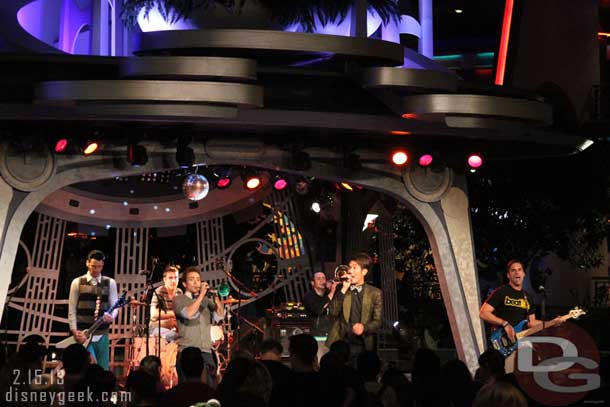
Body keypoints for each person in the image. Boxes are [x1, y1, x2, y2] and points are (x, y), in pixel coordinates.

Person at [479, 259, 558, 372]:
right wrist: (504, 323)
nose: (517, 273)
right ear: (508, 275)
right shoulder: (501, 292)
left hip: (519, 343)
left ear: (524, 274)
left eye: (519, 270)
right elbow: (483, 313)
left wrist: (553, 322)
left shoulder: (527, 297)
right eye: (513, 270)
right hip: (502, 341)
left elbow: (531, 322)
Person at [173, 266, 225, 387]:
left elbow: (220, 316)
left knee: (211, 389)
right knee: (188, 390)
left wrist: (216, 298)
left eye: (198, 279)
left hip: (206, 352)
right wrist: (202, 295)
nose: (196, 282)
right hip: (187, 353)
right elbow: (189, 314)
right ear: (185, 284)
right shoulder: (178, 299)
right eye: (192, 279)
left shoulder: (206, 300)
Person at [68, 250, 118, 370]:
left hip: (102, 333)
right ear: (87, 263)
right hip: (83, 334)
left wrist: (112, 317)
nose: (96, 270)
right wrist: (74, 330)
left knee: (102, 368)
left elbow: (115, 305)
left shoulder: (110, 282)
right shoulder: (77, 282)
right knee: (85, 367)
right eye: (93, 266)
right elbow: (72, 309)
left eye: (99, 266)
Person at [326, 253, 383, 360]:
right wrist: (343, 289)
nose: (350, 271)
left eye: (354, 268)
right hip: (342, 342)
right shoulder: (342, 289)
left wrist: (364, 328)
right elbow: (333, 312)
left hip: (364, 344)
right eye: (349, 267)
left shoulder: (375, 293)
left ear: (364, 272)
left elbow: (378, 321)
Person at [149, 265, 182, 341]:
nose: (173, 281)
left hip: (172, 329)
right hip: (156, 328)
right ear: (164, 279)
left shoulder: (179, 292)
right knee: (175, 336)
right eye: (170, 278)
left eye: (175, 277)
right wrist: (173, 313)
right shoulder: (159, 292)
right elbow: (153, 315)